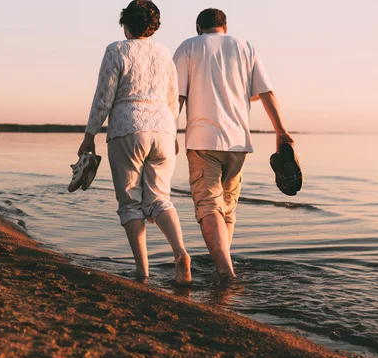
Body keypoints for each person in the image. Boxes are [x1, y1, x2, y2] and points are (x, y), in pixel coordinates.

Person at [173, 8, 295, 278]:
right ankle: (225, 267)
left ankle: (226, 273)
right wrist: (281, 131)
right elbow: (265, 92)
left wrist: (170, 131)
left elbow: (177, 96)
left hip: (203, 140)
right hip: (239, 142)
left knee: (208, 206)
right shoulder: (245, 47)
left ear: (198, 27)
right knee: (226, 210)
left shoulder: (189, 47)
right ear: (225, 27)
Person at [77, 0, 191, 283]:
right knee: (160, 198)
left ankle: (142, 271)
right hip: (163, 129)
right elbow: (173, 98)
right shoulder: (164, 53)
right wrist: (173, 133)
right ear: (154, 27)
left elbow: (103, 98)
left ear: (125, 24)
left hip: (128, 127)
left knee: (130, 202)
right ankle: (180, 251)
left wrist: (90, 134)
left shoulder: (116, 50)